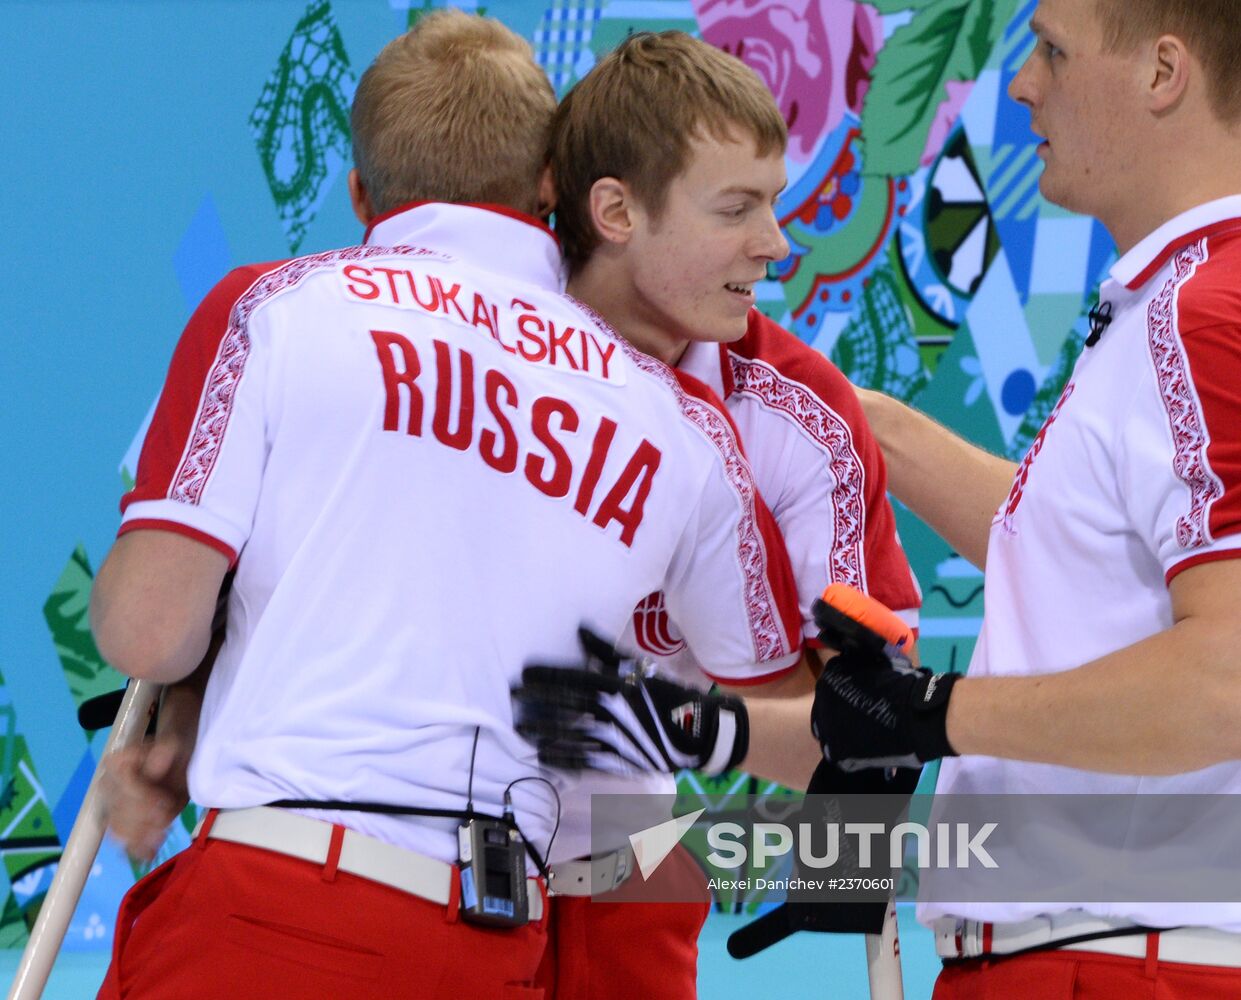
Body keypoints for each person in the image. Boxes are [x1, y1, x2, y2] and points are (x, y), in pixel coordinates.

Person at [523, 2, 1241, 997]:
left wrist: (906, 750)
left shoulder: (1204, 316)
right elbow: (1074, 565)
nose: (1019, 82)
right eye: (733, 209)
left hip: (1116, 948)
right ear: (609, 211)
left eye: (1051, 50)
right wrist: (857, 421)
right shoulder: (1166, 309)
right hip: (1071, 943)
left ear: (1163, 73)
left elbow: (1225, 675)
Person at [88, 11, 804, 999]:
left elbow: (147, 631)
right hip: (485, 936)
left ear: (358, 194)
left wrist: (182, 674)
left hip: (272, 907)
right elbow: (807, 737)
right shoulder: (678, 423)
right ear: (550, 191)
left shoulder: (274, 309)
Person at [532, 30, 921, 1000]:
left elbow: (869, 709)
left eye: (774, 204)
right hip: (418, 856)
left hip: (621, 876)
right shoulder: (480, 352)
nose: (775, 242)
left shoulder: (802, 415)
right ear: (615, 211)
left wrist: (841, 872)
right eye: (735, 209)